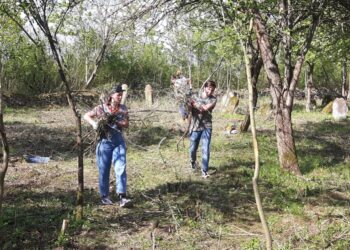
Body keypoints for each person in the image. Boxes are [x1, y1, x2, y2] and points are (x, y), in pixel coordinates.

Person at [83, 84, 131, 207]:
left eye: (121, 94)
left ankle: (122, 196)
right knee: (103, 170)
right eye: (118, 94)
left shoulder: (123, 108)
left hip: (118, 141)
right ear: (111, 95)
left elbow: (126, 123)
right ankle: (104, 196)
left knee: (120, 167)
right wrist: (94, 124)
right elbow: (86, 115)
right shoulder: (102, 108)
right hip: (104, 142)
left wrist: (116, 120)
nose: (120, 97)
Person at [189, 80, 217, 178]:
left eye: (212, 90)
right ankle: (193, 162)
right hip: (196, 126)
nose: (210, 91)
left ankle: (204, 171)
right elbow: (189, 107)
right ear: (205, 88)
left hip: (207, 126)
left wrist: (194, 103)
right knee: (193, 149)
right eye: (209, 89)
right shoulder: (195, 96)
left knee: (205, 149)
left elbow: (204, 108)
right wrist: (189, 104)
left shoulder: (213, 99)